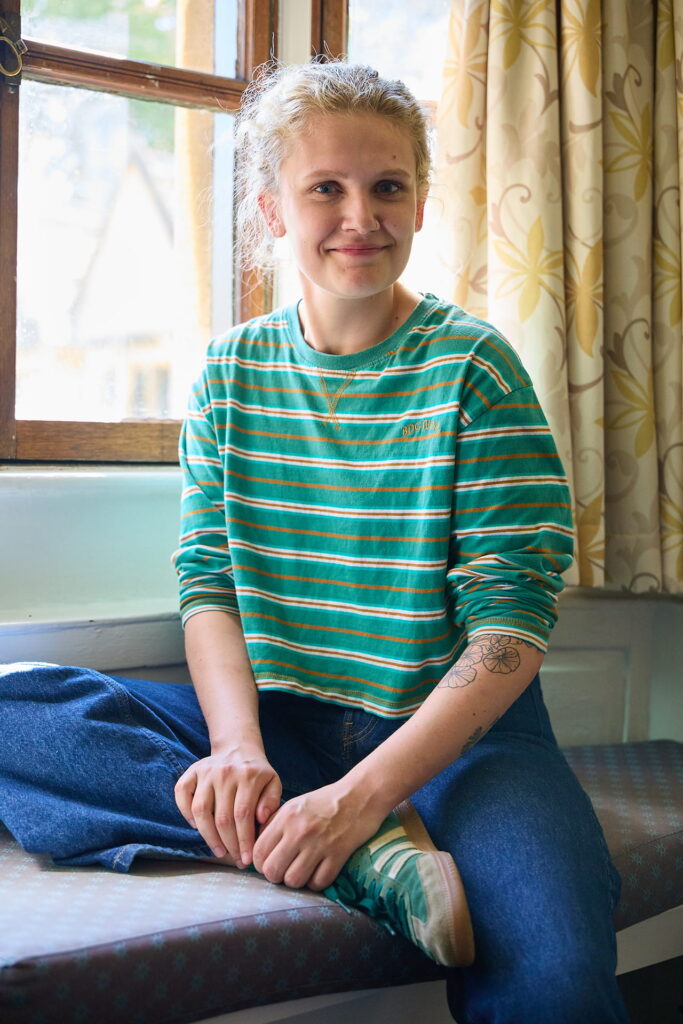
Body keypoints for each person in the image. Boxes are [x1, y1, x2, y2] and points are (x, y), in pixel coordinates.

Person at [0, 59, 629, 1023]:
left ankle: (340, 831)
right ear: (271, 211)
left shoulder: (474, 368)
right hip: (285, 729)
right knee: (20, 707)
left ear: (420, 204)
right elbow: (209, 583)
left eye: (387, 187)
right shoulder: (229, 372)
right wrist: (236, 749)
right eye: (324, 188)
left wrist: (364, 793)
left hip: (457, 744)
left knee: (557, 975)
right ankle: (367, 867)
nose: (359, 217)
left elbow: (508, 633)